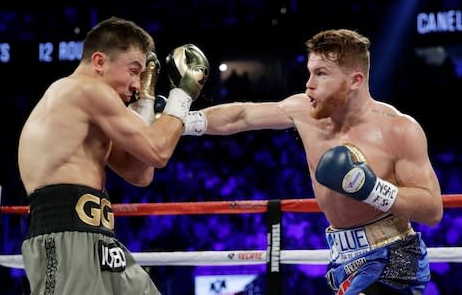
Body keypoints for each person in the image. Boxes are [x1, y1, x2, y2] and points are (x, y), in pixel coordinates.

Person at [182, 29, 443, 294]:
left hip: (393, 257)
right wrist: (179, 121)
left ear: (355, 80)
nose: (309, 84)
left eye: (321, 73)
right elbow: (242, 115)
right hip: (343, 258)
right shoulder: (304, 111)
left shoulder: (399, 129)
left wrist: (373, 190)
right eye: (310, 72)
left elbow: (433, 210)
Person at [17, 16, 209, 294]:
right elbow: (158, 151)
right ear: (99, 61)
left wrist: (145, 99)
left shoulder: (88, 112)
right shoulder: (84, 89)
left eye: (141, 75)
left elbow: (140, 173)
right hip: (64, 237)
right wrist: (184, 93)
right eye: (133, 71)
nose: (135, 83)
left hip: (100, 238)